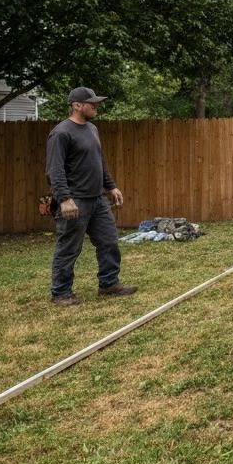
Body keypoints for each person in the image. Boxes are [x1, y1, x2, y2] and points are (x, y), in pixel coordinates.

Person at [45, 87, 137, 306]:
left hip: (98, 199)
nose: (96, 106)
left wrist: (111, 186)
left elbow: (99, 161)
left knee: (109, 241)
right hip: (75, 200)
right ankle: (60, 293)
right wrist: (65, 199)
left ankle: (109, 284)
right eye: (91, 103)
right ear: (77, 105)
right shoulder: (61, 133)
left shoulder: (92, 129)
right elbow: (54, 170)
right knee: (69, 248)